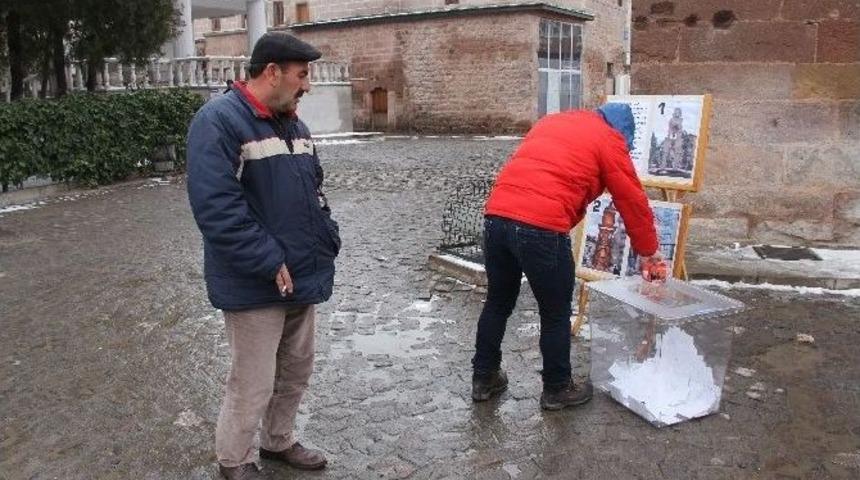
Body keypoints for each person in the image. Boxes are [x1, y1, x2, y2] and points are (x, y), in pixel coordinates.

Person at [186, 32, 340, 480]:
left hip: (303, 272)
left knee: (294, 370)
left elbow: (314, 189)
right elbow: (216, 208)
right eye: (302, 74)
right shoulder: (219, 122)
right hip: (257, 280)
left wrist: (327, 234)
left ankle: (278, 442)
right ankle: (234, 461)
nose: (307, 85)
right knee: (252, 380)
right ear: (272, 72)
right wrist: (269, 260)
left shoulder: (293, 123)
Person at [471, 103, 666, 411]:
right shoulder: (609, 139)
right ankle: (558, 388)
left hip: (496, 217)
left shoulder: (553, 122)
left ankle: (484, 378)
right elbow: (631, 199)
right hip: (541, 227)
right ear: (622, 132)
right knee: (555, 312)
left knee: (498, 302)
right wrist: (649, 252)